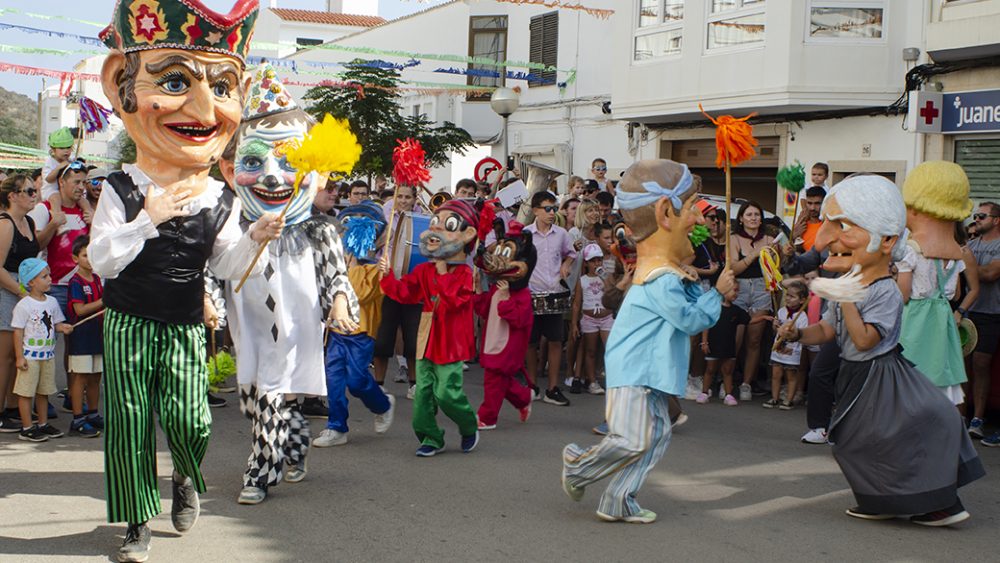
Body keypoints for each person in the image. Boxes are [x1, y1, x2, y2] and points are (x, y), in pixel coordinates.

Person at [92, 2, 278, 559]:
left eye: (222, 88)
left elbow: (224, 264)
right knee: (128, 424)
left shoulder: (218, 197)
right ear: (121, 87)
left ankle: (185, 478)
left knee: (191, 420)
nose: (203, 108)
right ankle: (135, 524)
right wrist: (149, 216)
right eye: (174, 81)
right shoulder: (120, 189)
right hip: (127, 321)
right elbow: (102, 260)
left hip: (183, 324)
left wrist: (257, 238)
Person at [778, 174, 984, 526]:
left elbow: (864, 340)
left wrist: (845, 298)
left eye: (845, 226)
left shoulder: (885, 290)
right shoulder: (848, 283)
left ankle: (935, 502)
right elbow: (828, 330)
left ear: (887, 240)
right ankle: (883, 499)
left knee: (867, 441)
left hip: (879, 375)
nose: (830, 239)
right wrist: (796, 335)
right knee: (857, 442)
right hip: (855, 373)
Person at [562, 159, 735, 524]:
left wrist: (704, 288)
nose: (701, 221)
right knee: (632, 440)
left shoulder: (667, 275)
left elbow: (686, 309)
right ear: (665, 213)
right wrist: (716, 294)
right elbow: (690, 320)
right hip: (635, 371)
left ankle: (618, 500)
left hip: (650, 371)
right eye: (693, 209)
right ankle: (578, 466)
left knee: (656, 439)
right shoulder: (659, 278)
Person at [217, 64, 359, 505]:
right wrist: (209, 303)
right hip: (249, 331)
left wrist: (339, 303)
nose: (275, 176)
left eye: (291, 161)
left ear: (316, 174)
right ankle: (295, 446)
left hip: (295, 329)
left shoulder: (321, 230)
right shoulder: (229, 224)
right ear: (227, 169)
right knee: (260, 399)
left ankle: (259, 473)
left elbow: (337, 275)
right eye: (255, 161)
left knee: (273, 396)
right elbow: (215, 268)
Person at [378, 199, 481, 457]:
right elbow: (405, 293)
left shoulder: (465, 274)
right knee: (423, 393)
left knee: (447, 392)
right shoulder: (424, 270)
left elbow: (455, 302)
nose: (435, 230)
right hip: (426, 336)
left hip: (452, 338)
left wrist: (444, 272)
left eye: (446, 225)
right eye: (434, 223)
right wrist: (388, 275)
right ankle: (430, 437)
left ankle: (469, 426)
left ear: (467, 234)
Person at [316, 201, 395, 447]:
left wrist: (373, 269)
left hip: (360, 332)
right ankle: (336, 426)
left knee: (357, 381)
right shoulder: (334, 263)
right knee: (334, 380)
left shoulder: (375, 270)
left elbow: (361, 295)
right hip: (336, 332)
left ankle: (383, 404)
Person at [897, 162, 975, 408]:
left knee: (908, 381)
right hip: (941, 321)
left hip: (915, 321)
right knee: (942, 381)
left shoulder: (912, 250)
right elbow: (956, 292)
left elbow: (904, 294)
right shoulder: (956, 252)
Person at [474, 219, 535, 430]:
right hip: (492, 339)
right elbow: (484, 310)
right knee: (501, 380)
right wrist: (479, 293)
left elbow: (520, 319)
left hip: (508, 343)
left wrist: (506, 298)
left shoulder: (522, 294)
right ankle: (524, 398)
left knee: (494, 379)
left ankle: (487, 417)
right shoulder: (498, 286)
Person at [11, 258, 73, 442]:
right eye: (44, 276)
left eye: (49, 275)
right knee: (26, 392)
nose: (49, 279)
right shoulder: (24, 305)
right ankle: (27, 427)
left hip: (47, 355)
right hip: (30, 356)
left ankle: (43, 424)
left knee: (43, 391)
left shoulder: (52, 302)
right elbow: (17, 331)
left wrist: (63, 328)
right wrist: (19, 357)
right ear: (31, 282)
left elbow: (56, 324)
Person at [525, 191, 576, 406]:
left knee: (555, 341)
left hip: (555, 292)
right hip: (531, 293)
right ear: (535, 210)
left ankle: (553, 388)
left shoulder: (562, 233)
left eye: (554, 208)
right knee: (531, 343)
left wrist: (566, 264)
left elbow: (571, 253)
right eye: (547, 209)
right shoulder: (526, 234)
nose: (552, 213)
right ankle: (532, 386)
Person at [0, 176, 40, 433]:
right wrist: (21, 292)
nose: (34, 194)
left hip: (23, 290)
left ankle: (15, 406)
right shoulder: (5, 224)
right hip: (8, 290)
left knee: (19, 354)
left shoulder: (29, 221)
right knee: (4, 356)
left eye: (34, 189)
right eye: (28, 190)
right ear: (13, 196)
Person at [374, 183, 421, 394]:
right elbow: (370, 247)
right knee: (383, 339)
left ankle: (414, 384)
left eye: (407, 197)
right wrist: (385, 238)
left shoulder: (422, 222)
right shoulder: (384, 220)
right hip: (387, 285)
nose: (403, 201)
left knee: (412, 340)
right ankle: (379, 385)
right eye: (399, 197)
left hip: (412, 288)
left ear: (414, 200)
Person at [729, 200, 776, 401]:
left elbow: (776, 270)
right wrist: (753, 256)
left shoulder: (770, 238)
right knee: (735, 339)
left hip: (761, 287)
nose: (753, 218)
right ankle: (728, 381)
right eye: (749, 215)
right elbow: (733, 268)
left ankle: (747, 383)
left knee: (754, 339)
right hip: (739, 287)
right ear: (741, 218)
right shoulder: (734, 239)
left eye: (757, 214)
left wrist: (783, 254)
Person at [30, 159, 89, 313]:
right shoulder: (44, 209)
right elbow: (35, 246)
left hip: (82, 287)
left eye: (84, 182)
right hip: (55, 288)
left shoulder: (86, 212)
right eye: (77, 182)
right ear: (62, 182)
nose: (81, 187)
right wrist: (53, 225)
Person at [965, 201, 1000, 443]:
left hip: (991, 313)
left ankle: (978, 418)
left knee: (981, 364)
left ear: (996, 220)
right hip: (967, 311)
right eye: (975, 215)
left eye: (982, 216)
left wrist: (964, 263)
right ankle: (963, 416)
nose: (976, 219)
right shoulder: (971, 244)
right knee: (963, 365)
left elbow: (990, 274)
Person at [66, 236, 104, 437]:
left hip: (97, 336)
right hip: (81, 336)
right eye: (84, 255)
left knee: (96, 377)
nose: (89, 259)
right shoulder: (75, 282)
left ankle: (93, 413)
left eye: (92, 255)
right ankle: (77, 419)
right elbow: (79, 310)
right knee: (80, 376)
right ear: (75, 259)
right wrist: (104, 301)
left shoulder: (97, 279)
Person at [696, 282, 749, 406]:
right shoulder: (713, 308)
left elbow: (749, 320)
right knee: (710, 368)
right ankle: (704, 392)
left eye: (737, 291)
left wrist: (763, 318)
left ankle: (728, 394)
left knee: (728, 370)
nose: (736, 294)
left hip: (728, 345)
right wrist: (704, 342)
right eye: (734, 290)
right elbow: (706, 326)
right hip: (714, 343)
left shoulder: (737, 310)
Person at [571, 244, 611, 396]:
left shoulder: (606, 277)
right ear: (586, 262)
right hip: (589, 318)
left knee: (610, 349)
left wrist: (605, 277)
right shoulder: (582, 280)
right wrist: (574, 324)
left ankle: (612, 380)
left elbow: (612, 293)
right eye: (593, 261)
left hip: (606, 317)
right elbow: (576, 304)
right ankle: (592, 381)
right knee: (590, 350)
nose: (597, 264)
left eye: (599, 260)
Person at [765, 281, 809, 410]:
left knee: (790, 376)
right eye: (787, 295)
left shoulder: (802, 316)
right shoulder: (782, 311)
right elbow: (776, 330)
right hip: (778, 350)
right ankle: (775, 397)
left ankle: (788, 400)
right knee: (776, 374)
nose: (788, 298)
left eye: (792, 296)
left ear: (802, 300)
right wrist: (775, 325)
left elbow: (803, 333)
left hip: (792, 351)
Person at [792, 186, 826, 252]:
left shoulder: (829, 224)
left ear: (824, 203)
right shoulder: (800, 223)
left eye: (817, 203)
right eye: (809, 203)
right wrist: (793, 236)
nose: (812, 208)